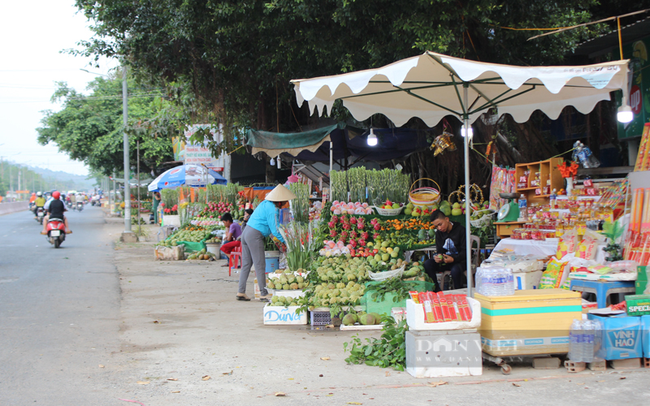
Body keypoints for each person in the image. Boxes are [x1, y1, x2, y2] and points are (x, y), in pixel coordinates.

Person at [237, 184, 296, 301]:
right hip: (254, 235)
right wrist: (286, 242)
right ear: (280, 201)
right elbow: (275, 230)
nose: (286, 203)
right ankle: (263, 293)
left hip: (246, 233)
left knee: (247, 264)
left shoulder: (264, 203)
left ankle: (241, 292)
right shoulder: (273, 209)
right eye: (285, 201)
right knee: (260, 264)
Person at [423, 209, 466, 292]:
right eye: (436, 226)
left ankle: (459, 292)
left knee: (455, 270)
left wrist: (454, 259)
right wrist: (438, 257)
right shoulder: (438, 233)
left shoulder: (461, 230)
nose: (439, 228)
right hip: (445, 261)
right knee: (428, 264)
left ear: (447, 219)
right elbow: (439, 250)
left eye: (440, 224)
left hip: (459, 261)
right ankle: (436, 290)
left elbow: (466, 252)